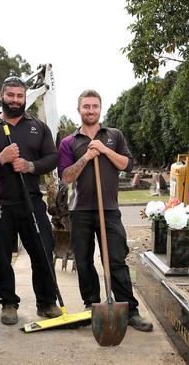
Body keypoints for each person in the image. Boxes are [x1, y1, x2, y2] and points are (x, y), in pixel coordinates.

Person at [57, 89, 153, 332]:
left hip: (109, 210)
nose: (91, 110)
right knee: (84, 261)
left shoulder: (114, 135)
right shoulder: (69, 142)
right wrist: (87, 156)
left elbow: (128, 165)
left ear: (100, 109)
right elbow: (66, 177)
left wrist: (104, 149)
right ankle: (92, 306)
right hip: (80, 211)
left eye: (95, 106)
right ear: (79, 109)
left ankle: (129, 310)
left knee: (117, 260)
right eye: (86, 106)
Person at [0, 76, 61, 325]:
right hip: (2, 203)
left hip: (32, 201)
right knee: (1, 257)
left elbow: (52, 158)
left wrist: (30, 165)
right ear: (2, 96)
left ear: (25, 98)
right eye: (10, 95)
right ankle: (9, 304)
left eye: (19, 96)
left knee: (43, 252)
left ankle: (46, 304)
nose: (15, 100)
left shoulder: (38, 127)